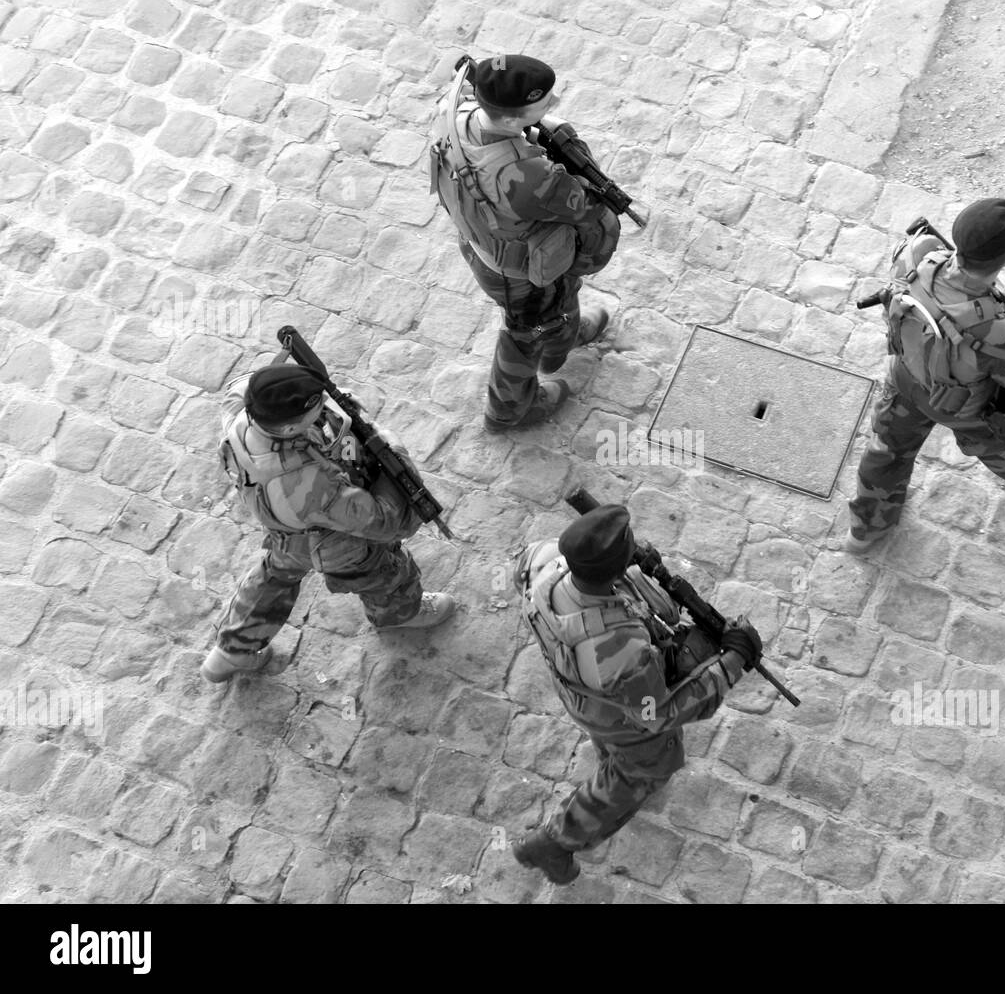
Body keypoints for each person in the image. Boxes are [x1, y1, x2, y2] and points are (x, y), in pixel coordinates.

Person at [511, 505, 760, 884]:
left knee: (611, 735)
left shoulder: (547, 558)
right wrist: (732, 663)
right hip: (614, 704)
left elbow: (523, 569)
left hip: (578, 682)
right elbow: (657, 714)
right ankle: (555, 841)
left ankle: (610, 754)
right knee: (647, 762)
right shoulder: (620, 650)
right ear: (613, 570)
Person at [847, 198, 1005, 552]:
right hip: (959, 408)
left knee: (886, 451)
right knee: (1001, 436)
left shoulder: (916, 252)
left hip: (903, 375)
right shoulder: (1001, 332)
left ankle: (867, 528)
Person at [201, 363, 456, 683]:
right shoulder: (309, 481)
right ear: (290, 429)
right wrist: (390, 448)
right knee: (383, 572)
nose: (325, 403)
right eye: (316, 406)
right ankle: (398, 613)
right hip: (334, 539)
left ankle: (233, 650)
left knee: (276, 573)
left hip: (286, 531)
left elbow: (252, 383)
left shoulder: (242, 407)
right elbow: (385, 523)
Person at [430, 53, 621, 432]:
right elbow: (584, 206)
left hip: (482, 241)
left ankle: (563, 333)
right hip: (517, 270)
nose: (553, 104)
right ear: (515, 119)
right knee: (525, 330)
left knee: (558, 297)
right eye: (545, 103)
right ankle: (509, 409)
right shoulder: (530, 176)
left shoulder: (454, 110)